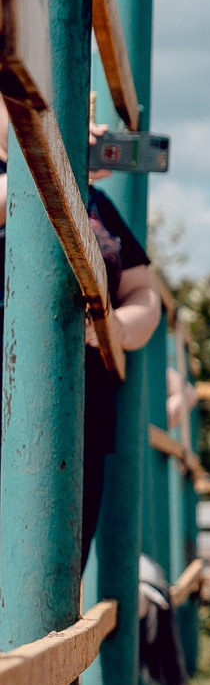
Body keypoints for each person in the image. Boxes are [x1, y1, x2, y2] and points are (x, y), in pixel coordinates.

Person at [0, 140, 166, 559]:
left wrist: (116, 326)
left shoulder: (95, 200)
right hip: (9, 403)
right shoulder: (32, 176)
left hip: (77, 413)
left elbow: (143, 293)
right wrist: (55, 161)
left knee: (61, 565)